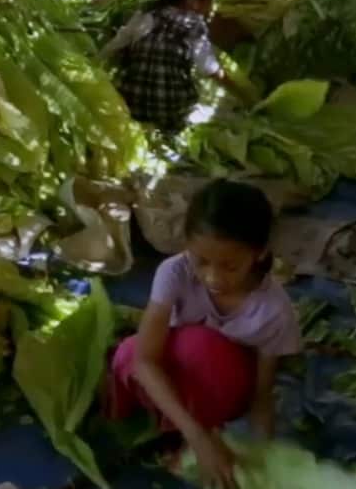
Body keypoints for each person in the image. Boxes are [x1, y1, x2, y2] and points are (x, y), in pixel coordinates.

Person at [107, 180, 298, 489]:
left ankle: (178, 426)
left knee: (201, 346)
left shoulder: (274, 311)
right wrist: (196, 435)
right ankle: (177, 427)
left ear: (259, 254)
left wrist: (264, 459)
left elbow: (261, 396)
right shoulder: (174, 272)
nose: (213, 278)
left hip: (225, 390)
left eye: (230, 266)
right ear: (187, 246)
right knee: (128, 353)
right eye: (201, 261)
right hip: (184, 378)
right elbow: (145, 360)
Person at [105, 0, 247, 133]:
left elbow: (113, 46)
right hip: (169, 113)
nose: (210, 11)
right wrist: (243, 95)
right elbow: (209, 69)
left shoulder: (146, 15)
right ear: (194, 0)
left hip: (130, 106)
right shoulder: (194, 25)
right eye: (208, 4)